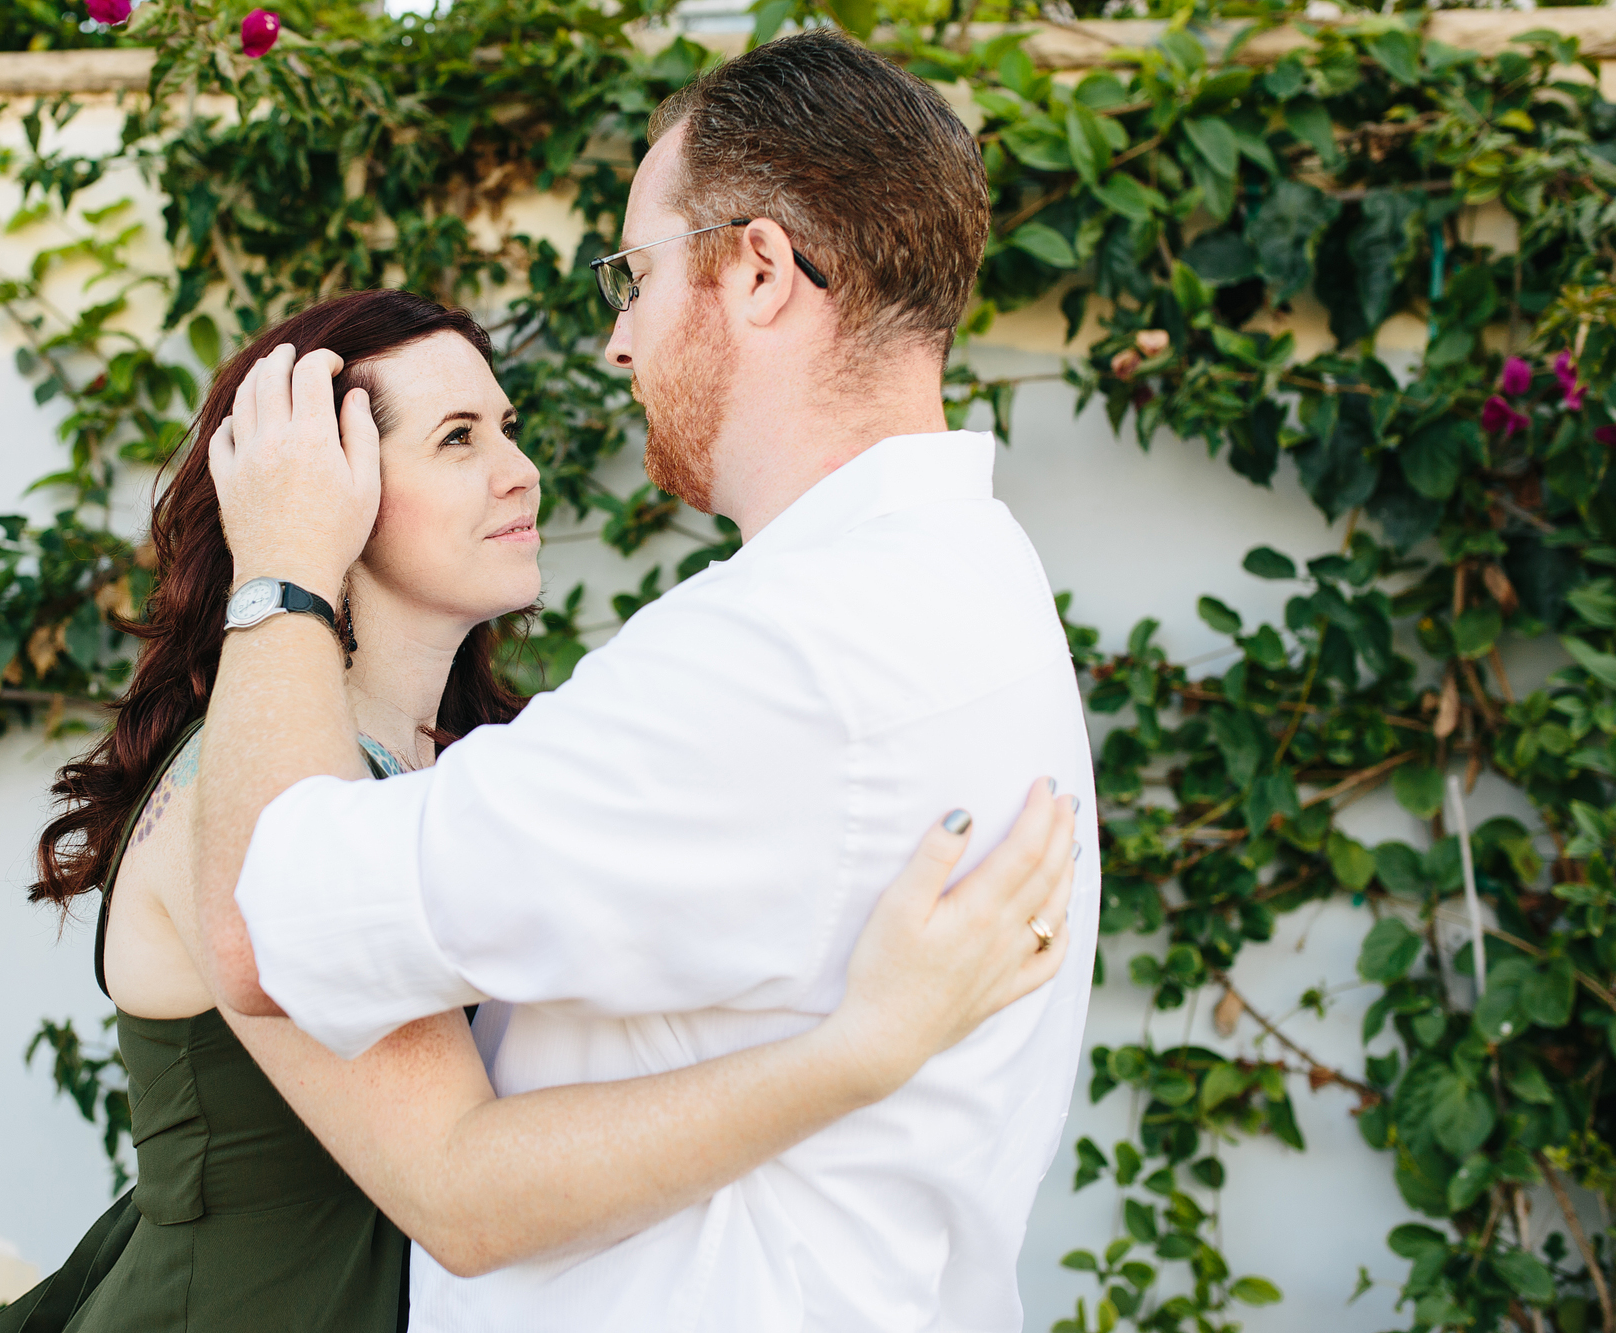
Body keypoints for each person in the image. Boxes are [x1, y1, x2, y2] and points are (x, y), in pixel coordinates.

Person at [193, 28, 1102, 1333]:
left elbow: (265, 920)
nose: (620, 341)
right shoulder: (979, 573)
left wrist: (281, 559)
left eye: (635, 275)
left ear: (761, 272)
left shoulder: (780, 659)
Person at [0, 288, 1078, 1332]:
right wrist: (861, 1047)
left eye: (506, 428)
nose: (520, 473)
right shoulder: (234, 800)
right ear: (317, 489)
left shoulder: (465, 775)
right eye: (457, 439)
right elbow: (462, 1182)